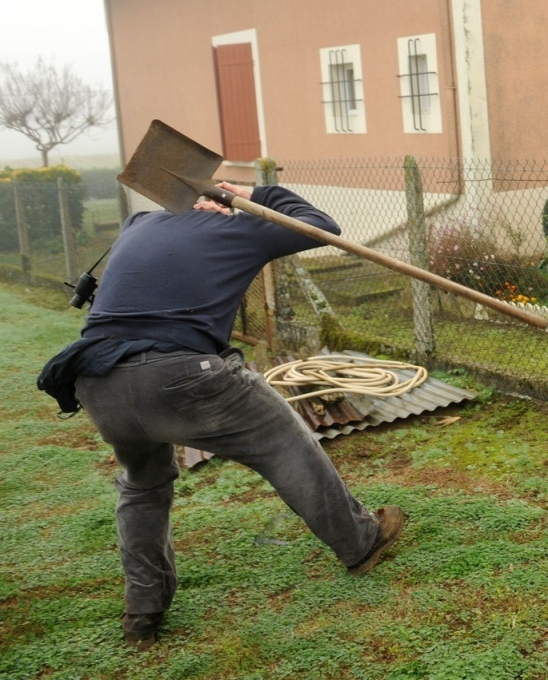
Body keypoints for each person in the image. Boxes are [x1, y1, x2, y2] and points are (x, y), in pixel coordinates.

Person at [38, 181, 405, 648]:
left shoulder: (139, 224)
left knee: (142, 484)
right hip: (180, 374)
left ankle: (143, 612)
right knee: (283, 443)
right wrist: (256, 193)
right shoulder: (239, 230)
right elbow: (321, 227)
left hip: (96, 380)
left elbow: (154, 232)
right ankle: (361, 541)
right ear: (222, 205)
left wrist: (201, 202)